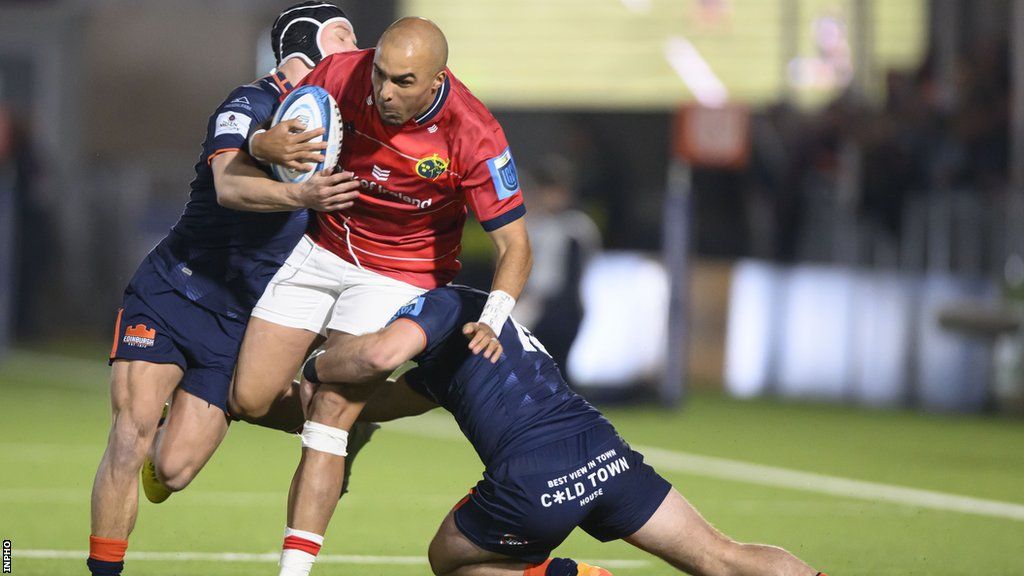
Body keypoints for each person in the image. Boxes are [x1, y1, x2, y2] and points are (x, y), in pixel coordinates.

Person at [226, 20, 533, 565]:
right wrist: (263, 142)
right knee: (249, 398)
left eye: (404, 82)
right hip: (322, 248)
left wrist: (496, 314)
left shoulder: (473, 131)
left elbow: (515, 246)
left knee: (327, 414)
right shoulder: (342, 74)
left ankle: (294, 566)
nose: (385, 92)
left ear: (439, 78)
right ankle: (397, 402)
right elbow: (286, 137)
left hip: (400, 273)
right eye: (381, 75)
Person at [86, 4, 360, 576]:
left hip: (238, 321)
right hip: (172, 292)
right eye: (343, 36)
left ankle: (333, 421)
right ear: (304, 45)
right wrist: (291, 186)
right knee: (128, 434)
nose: (358, 48)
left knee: (174, 470)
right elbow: (230, 184)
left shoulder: (346, 128)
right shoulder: (250, 102)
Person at [291, 285, 828, 576]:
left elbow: (380, 354)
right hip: (602, 449)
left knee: (449, 559)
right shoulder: (473, 335)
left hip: (534, 476)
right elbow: (387, 401)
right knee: (721, 558)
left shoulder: (441, 304)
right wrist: (323, 406)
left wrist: (317, 364)